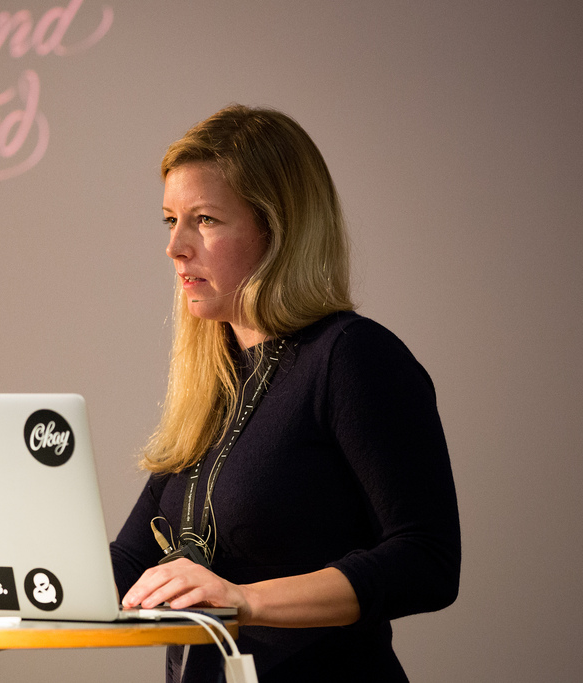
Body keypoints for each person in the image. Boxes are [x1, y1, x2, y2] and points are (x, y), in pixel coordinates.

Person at [110, 105, 461, 682]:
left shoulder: (351, 357)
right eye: (170, 219)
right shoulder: (216, 382)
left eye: (204, 219)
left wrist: (243, 600)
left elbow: (426, 560)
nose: (175, 246)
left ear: (277, 229)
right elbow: (129, 564)